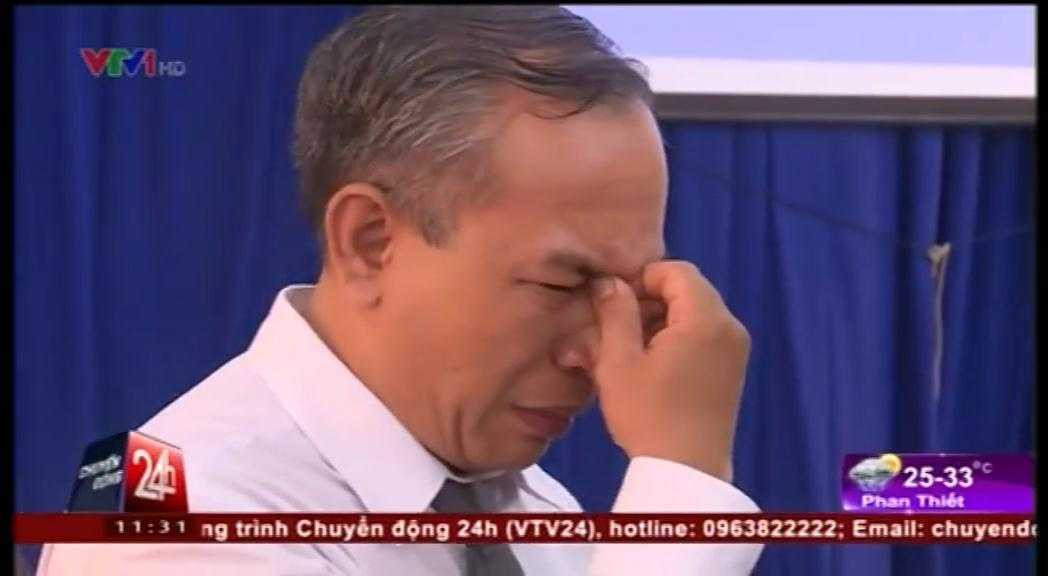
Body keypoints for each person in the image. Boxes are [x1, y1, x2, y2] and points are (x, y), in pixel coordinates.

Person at [38, 6, 762, 574]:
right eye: (560, 283)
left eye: (629, 298)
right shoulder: (160, 514)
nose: (599, 354)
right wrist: (685, 484)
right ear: (369, 241)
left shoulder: (533, 508)